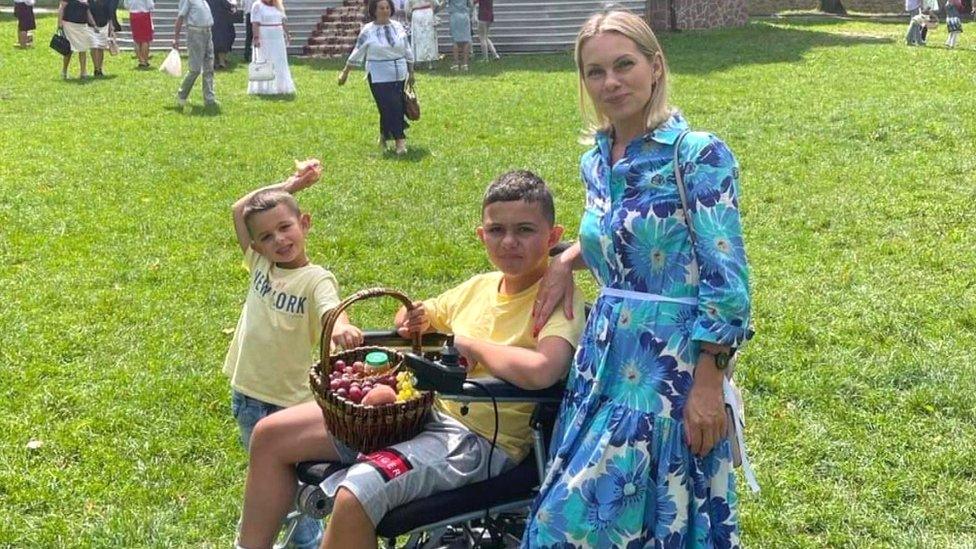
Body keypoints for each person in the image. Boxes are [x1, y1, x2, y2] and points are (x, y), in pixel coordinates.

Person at [233, 170, 585, 549]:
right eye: (496, 230)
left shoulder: (557, 297)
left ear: (552, 236)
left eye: (525, 230)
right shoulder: (479, 287)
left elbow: (547, 369)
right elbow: (415, 317)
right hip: (420, 413)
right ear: (481, 235)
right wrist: (411, 319)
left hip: (478, 441)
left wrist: (471, 346)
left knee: (356, 494)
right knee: (270, 435)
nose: (509, 241)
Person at [524, 11, 754, 547]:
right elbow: (616, 234)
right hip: (602, 364)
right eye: (595, 71)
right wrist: (564, 261)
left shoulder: (696, 154)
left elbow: (728, 282)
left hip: (668, 371)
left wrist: (708, 381)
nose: (611, 82)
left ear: (655, 66)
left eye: (624, 65)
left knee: (572, 528)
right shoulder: (596, 161)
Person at [227, 159, 363, 549]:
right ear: (255, 246)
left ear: (305, 224)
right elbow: (240, 209)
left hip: (289, 402)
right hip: (249, 393)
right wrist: (289, 185)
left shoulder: (314, 277)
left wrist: (341, 328)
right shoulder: (259, 264)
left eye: (285, 227)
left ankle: (304, 541)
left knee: (293, 485)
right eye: (267, 236)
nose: (279, 241)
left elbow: (330, 309)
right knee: (276, 482)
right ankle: (301, 537)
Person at [339, 0, 415, 155]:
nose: (385, 11)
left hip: (399, 72)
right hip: (378, 74)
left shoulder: (398, 26)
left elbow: (407, 48)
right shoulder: (368, 30)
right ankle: (397, 140)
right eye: (381, 8)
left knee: (395, 106)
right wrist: (345, 72)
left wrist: (411, 72)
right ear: (374, 10)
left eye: (387, 7)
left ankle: (389, 139)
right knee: (389, 106)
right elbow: (357, 51)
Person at [173, 0, 216, 108]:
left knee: (209, 68)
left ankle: (209, 99)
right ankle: (181, 96)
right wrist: (176, 38)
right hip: (195, 33)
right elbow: (180, 17)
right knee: (195, 69)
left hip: (208, 32)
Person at [248, 0, 296, 95]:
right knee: (265, 60)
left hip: (278, 38)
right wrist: (256, 37)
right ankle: (263, 87)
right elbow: (255, 23)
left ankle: (281, 86)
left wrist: (287, 33)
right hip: (264, 37)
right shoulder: (257, 5)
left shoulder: (278, 5)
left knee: (279, 61)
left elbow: (282, 21)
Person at [57, 0, 97, 79]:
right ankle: (64, 71)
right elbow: (61, 8)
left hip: (82, 26)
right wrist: (59, 24)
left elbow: (88, 12)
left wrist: (94, 25)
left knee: (83, 49)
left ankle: (83, 73)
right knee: (68, 50)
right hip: (69, 25)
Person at [88, 0, 120, 77]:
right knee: (94, 47)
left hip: (104, 25)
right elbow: (87, 12)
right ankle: (96, 68)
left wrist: (111, 27)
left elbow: (109, 14)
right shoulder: (89, 1)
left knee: (101, 47)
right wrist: (94, 25)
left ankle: (99, 69)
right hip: (91, 26)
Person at [405, 0, 439, 69]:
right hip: (426, 14)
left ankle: (420, 61)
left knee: (420, 40)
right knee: (428, 39)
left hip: (418, 14)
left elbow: (407, 9)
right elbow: (436, 5)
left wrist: (409, 14)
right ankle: (429, 62)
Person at [207, 0, 237, 68]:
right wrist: (233, 5)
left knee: (213, 41)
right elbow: (228, 6)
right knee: (222, 41)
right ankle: (221, 62)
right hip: (222, 22)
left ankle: (214, 62)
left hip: (211, 20)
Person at [125, 0, 154, 68]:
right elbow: (151, 5)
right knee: (145, 39)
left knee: (136, 39)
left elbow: (126, 5)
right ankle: (145, 60)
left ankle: (141, 60)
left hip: (133, 15)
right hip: (144, 15)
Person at [444, 0, 472, 70]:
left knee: (455, 40)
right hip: (465, 15)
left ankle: (456, 64)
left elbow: (445, 3)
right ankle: (465, 64)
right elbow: (471, 4)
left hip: (455, 16)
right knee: (466, 40)